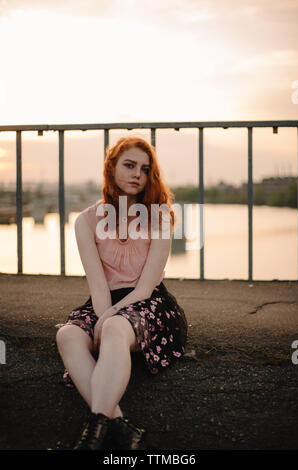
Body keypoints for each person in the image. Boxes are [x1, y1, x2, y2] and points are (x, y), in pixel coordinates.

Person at [56, 136, 188, 450]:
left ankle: (92, 438)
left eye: (144, 168)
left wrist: (109, 318)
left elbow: (145, 286)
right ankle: (119, 427)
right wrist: (103, 315)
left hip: (149, 304)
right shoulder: (86, 221)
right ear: (112, 167)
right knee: (67, 336)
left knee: (114, 327)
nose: (136, 174)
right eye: (129, 165)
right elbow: (98, 285)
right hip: (105, 302)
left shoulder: (159, 217)